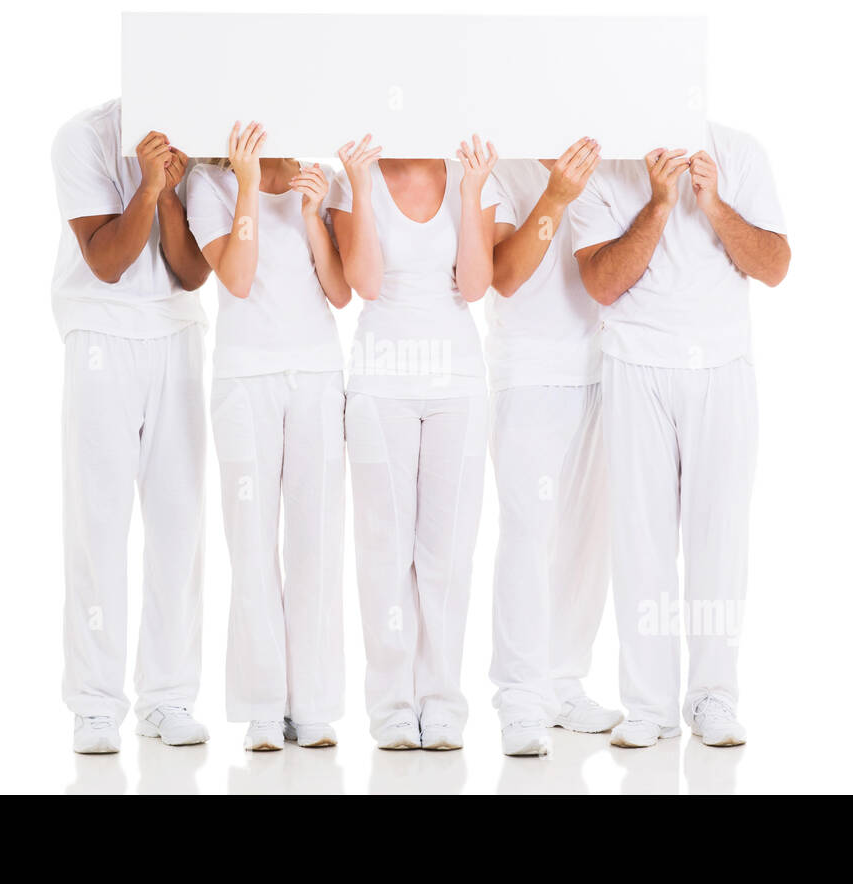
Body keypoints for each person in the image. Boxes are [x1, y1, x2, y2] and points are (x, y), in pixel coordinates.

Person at [570, 124, 790, 748]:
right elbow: (601, 283)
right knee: (640, 540)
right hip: (636, 365)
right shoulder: (605, 165)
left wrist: (714, 203)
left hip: (721, 367)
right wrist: (661, 202)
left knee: (719, 538)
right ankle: (649, 705)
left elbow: (774, 267)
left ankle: (714, 699)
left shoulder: (740, 152)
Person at [326, 135, 502, 750]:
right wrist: (362, 184)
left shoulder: (470, 172)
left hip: (457, 381)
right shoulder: (356, 176)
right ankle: (393, 706)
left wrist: (474, 189)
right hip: (381, 382)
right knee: (385, 551)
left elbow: (477, 285)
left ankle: (442, 702)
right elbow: (366, 284)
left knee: (447, 553)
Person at [50, 99, 212, 754]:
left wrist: (171, 194)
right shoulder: (82, 138)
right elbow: (106, 260)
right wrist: (146, 187)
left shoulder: (200, 138)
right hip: (101, 335)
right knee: (98, 522)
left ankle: (168, 697)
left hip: (174, 334)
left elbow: (193, 272)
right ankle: (94, 704)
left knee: (179, 524)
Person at [185, 121, 352, 752]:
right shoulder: (209, 184)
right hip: (245, 377)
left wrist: (314, 215)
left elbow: (339, 291)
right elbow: (238, 278)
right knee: (251, 540)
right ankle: (261, 705)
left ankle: (310, 705)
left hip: (313, 374)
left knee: (315, 539)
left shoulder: (321, 178)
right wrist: (250, 183)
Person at [485, 140, 625, 757]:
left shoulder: (608, 161)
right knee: (527, 536)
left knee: (586, 539)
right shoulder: (501, 168)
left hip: (603, 368)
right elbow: (506, 276)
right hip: (529, 374)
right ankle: (520, 698)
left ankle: (564, 680)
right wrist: (557, 195)